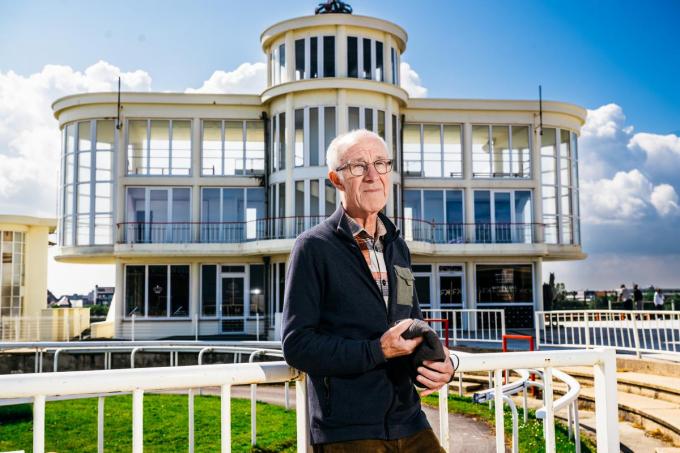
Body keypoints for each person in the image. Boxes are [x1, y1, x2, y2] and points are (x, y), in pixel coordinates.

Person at [282, 129, 454, 452]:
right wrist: (378, 350)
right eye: (359, 166)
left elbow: (411, 324)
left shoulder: (397, 246)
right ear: (336, 179)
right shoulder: (312, 248)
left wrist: (442, 364)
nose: (373, 175)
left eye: (381, 163)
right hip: (348, 432)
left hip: (411, 420)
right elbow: (297, 345)